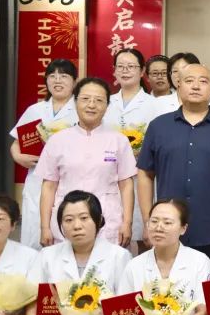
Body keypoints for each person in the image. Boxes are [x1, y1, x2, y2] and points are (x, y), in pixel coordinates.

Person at [138, 64, 210, 268]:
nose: (196, 86)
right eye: (189, 81)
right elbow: (145, 174)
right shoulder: (158, 127)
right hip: (166, 228)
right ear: (178, 86)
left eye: (203, 81)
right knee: (165, 286)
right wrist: (147, 221)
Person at [37, 77, 137, 249]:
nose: (91, 105)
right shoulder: (58, 140)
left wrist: (127, 223)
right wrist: (44, 227)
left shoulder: (118, 140)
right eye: (85, 99)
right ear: (75, 102)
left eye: (99, 100)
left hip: (107, 219)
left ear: (107, 105)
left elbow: (126, 185)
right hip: (67, 217)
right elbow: (49, 186)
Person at [9, 58, 78, 249]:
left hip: (69, 178)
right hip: (37, 179)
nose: (57, 80)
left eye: (64, 76)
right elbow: (16, 143)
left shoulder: (81, 109)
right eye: (52, 76)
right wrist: (18, 157)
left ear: (74, 81)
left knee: (66, 233)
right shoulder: (35, 110)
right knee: (34, 234)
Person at [105, 48, 158, 246]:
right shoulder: (105, 102)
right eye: (120, 66)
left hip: (142, 176)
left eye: (131, 66)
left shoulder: (154, 105)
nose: (125, 70)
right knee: (110, 234)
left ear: (142, 70)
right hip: (109, 176)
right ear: (114, 70)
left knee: (144, 236)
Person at [150, 52, 200, 119]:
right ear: (170, 75)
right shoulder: (158, 104)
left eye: (184, 70)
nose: (179, 75)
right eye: (175, 71)